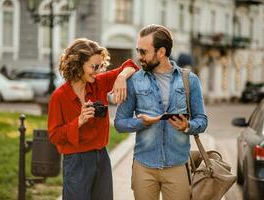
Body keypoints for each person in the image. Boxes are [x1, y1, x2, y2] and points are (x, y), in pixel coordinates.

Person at [114, 24, 208, 200]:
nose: (138, 57)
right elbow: (119, 123)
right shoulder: (134, 81)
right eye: (138, 51)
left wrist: (187, 126)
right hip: (144, 166)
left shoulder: (190, 80)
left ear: (161, 52)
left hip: (177, 166)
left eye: (143, 52)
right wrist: (141, 122)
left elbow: (202, 121)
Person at [47, 38, 139, 200]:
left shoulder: (99, 83)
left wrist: (121, 77)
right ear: (77, 64)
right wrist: (79, 121)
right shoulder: (59, 97)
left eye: (100, 66)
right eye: (93, 66)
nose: (97, 71)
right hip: (76, 161)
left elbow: (131, 65)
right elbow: (54, 136)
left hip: (101, 157)